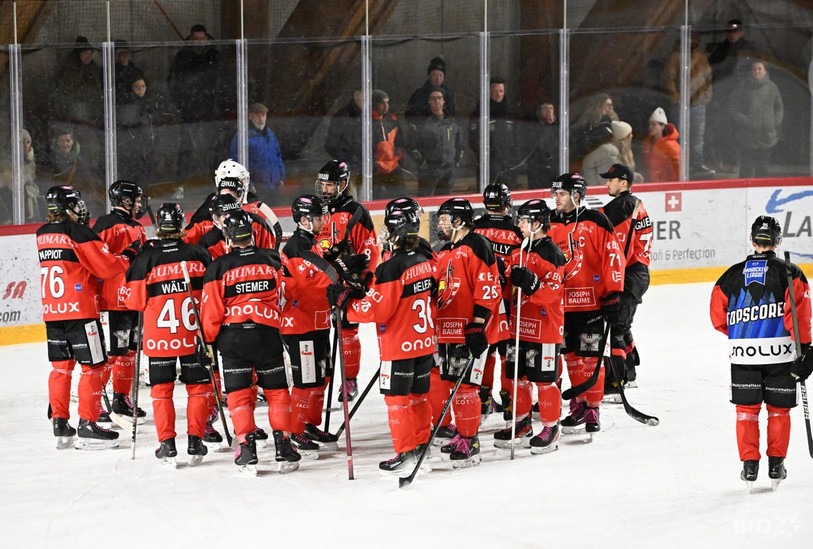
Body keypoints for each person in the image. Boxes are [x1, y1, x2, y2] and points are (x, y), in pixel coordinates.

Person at [329, 206, 435, 475]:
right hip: (424, 343)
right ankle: (422, 448)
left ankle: (406, 452)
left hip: (398, 346)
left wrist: (345, 305)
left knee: (397, 400)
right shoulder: (425, 258)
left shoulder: (391, 267)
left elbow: (376, 310)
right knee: (419, 398)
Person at [710, 215, 813, 489]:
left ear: (752, 240)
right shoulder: (790, 272)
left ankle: (749, 466)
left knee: (746, 411)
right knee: (779, 411)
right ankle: (776, 466)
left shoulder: (730, 275)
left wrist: (743, 334)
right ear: (778, 242)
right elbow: (798, 316)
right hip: (781, 356)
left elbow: (718, 318)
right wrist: (805, 349)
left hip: (743, 355)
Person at [200, 209, 300, 474]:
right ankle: (284, 446)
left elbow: (211, 313)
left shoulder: (218, 267)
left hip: (233, 339)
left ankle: (246, 448)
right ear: (252, 232)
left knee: (239, 395)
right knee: (277, 392)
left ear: (227, 235)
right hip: (267, 334)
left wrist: (207, 341)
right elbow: (285, 295)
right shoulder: (272, 259)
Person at [37, 185, 129, 450]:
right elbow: (106, 267)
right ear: (68, 207)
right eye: (76, 203)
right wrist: (126, 259)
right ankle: (88, 425)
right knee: (93, 368)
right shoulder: (78, 232)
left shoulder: (42, 234)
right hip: (81, 313)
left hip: (53, 313)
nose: (81, 208)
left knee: (60, 368)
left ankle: (59, 422)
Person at [123, 203, 213, 466]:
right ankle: (195, 442)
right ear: (182, 224)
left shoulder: (145, 260)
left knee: (162, 391)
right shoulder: (199, 254)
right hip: (194, 337)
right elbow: (211, 295)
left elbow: (134, 303)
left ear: (159, 227)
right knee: (198, 388)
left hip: (159, 339)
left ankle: (167, 445)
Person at [280, 195, 367, 455]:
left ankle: (308, 424)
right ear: (304, 220)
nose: (323, 222)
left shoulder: (311, 243)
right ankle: (294, 432)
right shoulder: (296, 247)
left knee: (322, 377)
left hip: (316, 321)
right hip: (300, 325)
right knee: (306, 381)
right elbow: (320, 279)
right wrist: (343, 267)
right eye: (318, 218)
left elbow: (324, 263)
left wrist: (338, 257)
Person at [547, 173, 625, 434]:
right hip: (560, 305)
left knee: (591, 358)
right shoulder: (549, 222)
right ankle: (579, 403)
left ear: (577, 195)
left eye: (561, 194)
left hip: (591, 303)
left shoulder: (596, 220)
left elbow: (613, 256)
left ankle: (593, 408)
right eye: (555, 194)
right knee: (571, 357)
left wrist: (613, 292)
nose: (556, 199)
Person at [431, 197, 505, 468]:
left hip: (468, 330)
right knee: (451, 384)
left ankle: (470, 441)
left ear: (459, 221)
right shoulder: (444, 250)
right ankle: (461, 433)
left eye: (445, 218)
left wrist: (477, 323)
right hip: (446, 330)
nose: (440, 223)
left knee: (466, 387)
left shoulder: (477, 245)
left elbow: (489, 286)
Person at [497, 199, 566, 453]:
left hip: (545, 328)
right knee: (518, 379)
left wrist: (532, 283)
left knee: (545, 381)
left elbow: (552, 292)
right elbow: (508, 284)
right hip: (518, 327)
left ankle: (551, 427)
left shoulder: (552, 253)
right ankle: (522, 424)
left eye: (524, 220)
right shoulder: (518, 251)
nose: (519, 224)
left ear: (538, 223)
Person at [315, 160, 379, 403]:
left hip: (345, 282)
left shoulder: (357, 212)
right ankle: (320, 379)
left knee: (347, 332)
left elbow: (370, 250)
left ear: (343, 184)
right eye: (322, 185)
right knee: (318, 332)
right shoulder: (316, 210)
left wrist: (358, 282)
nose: (325, 190)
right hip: (319, 283)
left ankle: (350, 379)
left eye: (330, 185)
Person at [91, 181, 148, 423]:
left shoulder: (137, 226)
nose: (139, 204)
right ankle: (94, 403)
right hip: (114, 299)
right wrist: (122, 256)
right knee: (114, 353)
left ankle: (121, 399)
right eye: (136, 200)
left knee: (130, 351)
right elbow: (93, 257)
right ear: (125, 200)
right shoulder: (106, 224)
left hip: (134, 296)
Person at [598, 164, 653, 396]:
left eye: (610, 180)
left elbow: (617, 249)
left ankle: (616, 382)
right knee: (621, 324)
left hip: (628, 274)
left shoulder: (620, 207)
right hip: (638, 273)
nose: (606, 184)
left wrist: (611, 280)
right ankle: (629, 373)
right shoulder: (636, 203)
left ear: (623, 182)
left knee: (616, 327)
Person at [472, 181, 522, 420]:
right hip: (508, 300)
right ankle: (510, 402)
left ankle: (483, 400)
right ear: (507, 202)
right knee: (507, 352)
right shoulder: (516, 230)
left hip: (481, 300)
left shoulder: (474, 229)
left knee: (486, 350)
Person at [168, 24, 228, 181]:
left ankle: (217, 177)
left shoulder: (214, 55)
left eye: (202, 38)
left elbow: (222, 81)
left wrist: (219, 103)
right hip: (190, 108)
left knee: (215, 144)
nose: (199, 42)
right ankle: (181, 180)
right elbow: (174, 82)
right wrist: (179, 104)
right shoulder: (182, 56)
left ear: (206, 38)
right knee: (186, 144)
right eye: (196, 38)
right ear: (190, 39)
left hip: (210, 107)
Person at [662, 35, 714, 174]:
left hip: (698, 103)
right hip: (681, 104)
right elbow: (668, 79)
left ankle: (697, 163)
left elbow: (708, 78)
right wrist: (677, 99)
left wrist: (705, 97)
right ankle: (679, 163)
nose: (693, 42)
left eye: (695, 40)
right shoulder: (675, 57)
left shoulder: (701, 57)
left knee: (698, 136)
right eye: (690, 40)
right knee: (679, 135)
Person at [708, 19, 754, 172]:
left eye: (736, 31)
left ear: (741, 31)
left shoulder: (748, 49)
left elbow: (752, 70)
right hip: (723, 96)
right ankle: (724, 161)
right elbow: (712, 70)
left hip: (741, 96)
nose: (733, 34)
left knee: (740, 130)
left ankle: (737, 162)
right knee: (723, 130)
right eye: (730, 31)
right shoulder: (721, 49)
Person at [117, 72, 178, 184]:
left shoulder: (150, 102)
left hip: (148, 142)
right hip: (133, 144)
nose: (140, 89)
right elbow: (128, 123)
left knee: (148, 167)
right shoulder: (128, 103)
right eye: (137, 86)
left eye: (143, 86)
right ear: (131, 88)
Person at [730, 61, 784, 178]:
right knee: (746, 168)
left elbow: (779, 108)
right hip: (747, 136)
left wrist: (774, 122)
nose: (757, 71)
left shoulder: (772, 87)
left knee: (763, 169)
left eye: (760, 69)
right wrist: (746, 121)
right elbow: (734, 108)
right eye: (754, 69)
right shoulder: (743, 86)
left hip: (767, 136)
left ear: (765, 71)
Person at [408, 86, 464, 196]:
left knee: (445, 200)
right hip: (429, 170)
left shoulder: (452, 124)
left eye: (439, 98)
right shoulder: (422, 124)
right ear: (429, 101)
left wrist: (456, 162)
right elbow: (412, 147)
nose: (436, 101)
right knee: (426, 201)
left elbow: (460, 146)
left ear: (444, 101)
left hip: (448, 170)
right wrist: (422, 163)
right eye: (433, 99)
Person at [40, 128, 103, 215]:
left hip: (80, 201)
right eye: (62, 141)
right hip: (59, 202)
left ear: (73, 142)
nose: (65, 144)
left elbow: (91, 181)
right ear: (57, 143)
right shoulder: (50, 161)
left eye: (68, 140)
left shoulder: (82, 161)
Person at [469, 77, 518, 185]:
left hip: (508, 166)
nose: (498, 95)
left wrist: (513, 158)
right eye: (495, 91)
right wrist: (486, 156)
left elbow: (516, 138)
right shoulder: (481, 111)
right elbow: (473, 139)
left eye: (501, 91)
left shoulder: (509, 113)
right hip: (488, 166)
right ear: (489, 92)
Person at [229, 102, 285, 195]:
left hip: (274, 186)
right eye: (257, 115)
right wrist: (248, 183)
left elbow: (278, 156)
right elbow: (236, 162)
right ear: (250, 116)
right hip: (256, 188)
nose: (261, 118)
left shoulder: (270, 135)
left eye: (263, 115)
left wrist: (281, 177)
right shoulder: (243, 136)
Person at [372, 90, 405, 199]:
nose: (386, 106)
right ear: (374, 104)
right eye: (382, 103)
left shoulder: (392, 120)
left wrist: (399, 157)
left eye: (387, 102)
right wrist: (373, 163)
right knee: (374, 198)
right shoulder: (368, 121)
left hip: (392, 165)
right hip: (375, 168)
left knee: (400, 196)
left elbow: (400, 141)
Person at [324, 88, 362, 183]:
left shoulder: (369, 116)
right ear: (356, 96)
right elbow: (331, 144)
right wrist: (347, 162)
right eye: (366, 95)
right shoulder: (343, 116)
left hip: (366, 170)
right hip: (352, 170)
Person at [570, 94, 617, 169]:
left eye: (611, 105)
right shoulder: (589, 123)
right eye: (607, 105)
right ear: (599, 106)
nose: (610, 108)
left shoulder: (613, 122)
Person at [581, 121, 633, 187]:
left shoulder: (615, 150)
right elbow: (606, 181)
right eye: (630, 134)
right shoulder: (610, 152)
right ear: (625, 137)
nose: (632, 136)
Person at [406, 56, 457, 123]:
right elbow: (410, 116)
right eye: (435, 75)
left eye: (440, 75)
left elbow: (451, 116)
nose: (438, 78)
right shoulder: (419, 94)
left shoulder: (448, 95)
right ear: (429, 76)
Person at [525, 101, 559, 189]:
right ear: (539, 112)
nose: (548, 111)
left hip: (554, 165)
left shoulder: (558, 126)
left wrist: (553, 122)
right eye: (545, 109)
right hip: (538, 167)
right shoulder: (533, 126)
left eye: (550, 108)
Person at [643, 107, 679, 182]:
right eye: (649, 124)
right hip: (651, 182)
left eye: (654, 125)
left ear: (662, 126)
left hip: (667, 184)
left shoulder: (670, 145)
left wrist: (676, 185)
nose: (650, 127)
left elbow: (678, 167)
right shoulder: (647, 143)